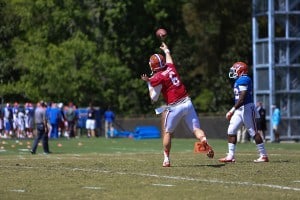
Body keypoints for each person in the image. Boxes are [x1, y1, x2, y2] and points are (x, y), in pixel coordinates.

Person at [141, 42, 214, 167]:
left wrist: (147, 81)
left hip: (175, 106)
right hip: (187, 102)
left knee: (168, 132)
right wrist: (167, 50)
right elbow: (170, 61)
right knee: (196, 129)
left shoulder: (158, 76)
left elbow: (153, 98)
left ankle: (166, 159)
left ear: (154, 66)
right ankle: (203, 140)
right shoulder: (171, 68)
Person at [219, 62, 269, 163]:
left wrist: (231, 110)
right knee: (231, 130)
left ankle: (263, 155)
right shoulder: (239, 80)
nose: (233, 72)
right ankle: (230, 156)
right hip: (240, 109)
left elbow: (242, 98)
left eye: (235, 70)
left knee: (253, 132)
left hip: (246, 108)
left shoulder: (244, 79)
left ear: (240, 70)